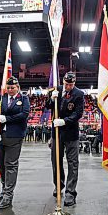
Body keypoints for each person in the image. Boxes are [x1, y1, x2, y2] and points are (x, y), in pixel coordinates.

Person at [0, 76, 30, 209]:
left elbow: (24, 114)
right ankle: (4, 187)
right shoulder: (1, 98)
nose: (10, 89)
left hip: (14, 136)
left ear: (18, 87)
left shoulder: (24, 99)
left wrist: (6, 119)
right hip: (0, 136)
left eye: (13, 87)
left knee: (11, 165)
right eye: (8, 87)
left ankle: (8, 194)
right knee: (1, 165)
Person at [45, 71, 84, 207]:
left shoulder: (79, 94)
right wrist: (52, 99)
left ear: (74, 83)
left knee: (73, 163)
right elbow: (47, 106)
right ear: (63, 81)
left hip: (71, 133)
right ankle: (58, 185)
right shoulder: (56, 90)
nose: (68, 86)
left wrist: (64, 121)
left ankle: (70, 192)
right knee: (56, 161)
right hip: (56, 133)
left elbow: (78, 113)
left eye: (71, 84)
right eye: (66, 84)